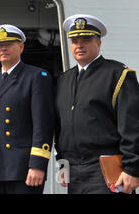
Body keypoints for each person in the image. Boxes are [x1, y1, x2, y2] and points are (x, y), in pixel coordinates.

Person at [54, 14, 139, 194]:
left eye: (86, 39)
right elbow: (60, 126)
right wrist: (62, 162)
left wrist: (132, 168)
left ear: (98, 43)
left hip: (107, 171)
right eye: (75, 41)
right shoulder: (63, 80)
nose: (79, 45)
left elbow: (132, 126)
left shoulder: (118, 75)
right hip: (73, 171)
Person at [0, 24, 55, 194]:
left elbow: (43, 124)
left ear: (21, 47)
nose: (3, 49)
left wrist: (38, 165)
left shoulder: (36, 77)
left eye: (8, 44)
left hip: (24, 169)